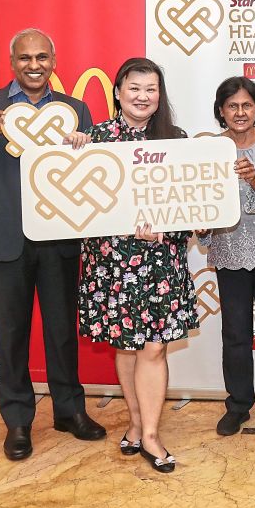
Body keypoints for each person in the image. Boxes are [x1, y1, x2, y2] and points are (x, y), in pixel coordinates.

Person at [0, 28, 107, 461]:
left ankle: (69, 412)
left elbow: (93, 179)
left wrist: (83, 151)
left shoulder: (75, 111)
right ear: (12, 61)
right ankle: (17, 421)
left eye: (41, 57)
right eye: (24, 58)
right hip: (4, 240)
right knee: (11, 335)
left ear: (53, 61)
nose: (33, 65)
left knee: (61, 332)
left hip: (59, 239)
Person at [67, 57, 195, 474]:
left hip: (161, 261)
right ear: (118, 92)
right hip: (113, 262)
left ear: (160, 96)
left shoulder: (177, 140)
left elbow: (192, 207)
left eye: (151, 89)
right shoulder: (95, 140)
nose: (143, 96)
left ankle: (153, 434)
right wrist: (70, 156)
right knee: (125, 344)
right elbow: (74, 202)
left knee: (154, 347)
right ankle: (136, 422)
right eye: (135, 87)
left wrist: (167, 232)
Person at [200, 76, 255, 442]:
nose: (240, 112)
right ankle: (237, 405)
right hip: (229, 252)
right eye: (232, 106)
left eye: (247, 105)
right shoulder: (208, 148)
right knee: (234, 334)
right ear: (221, 111)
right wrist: (199, 224)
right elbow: (200, 201)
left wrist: (254, 180)